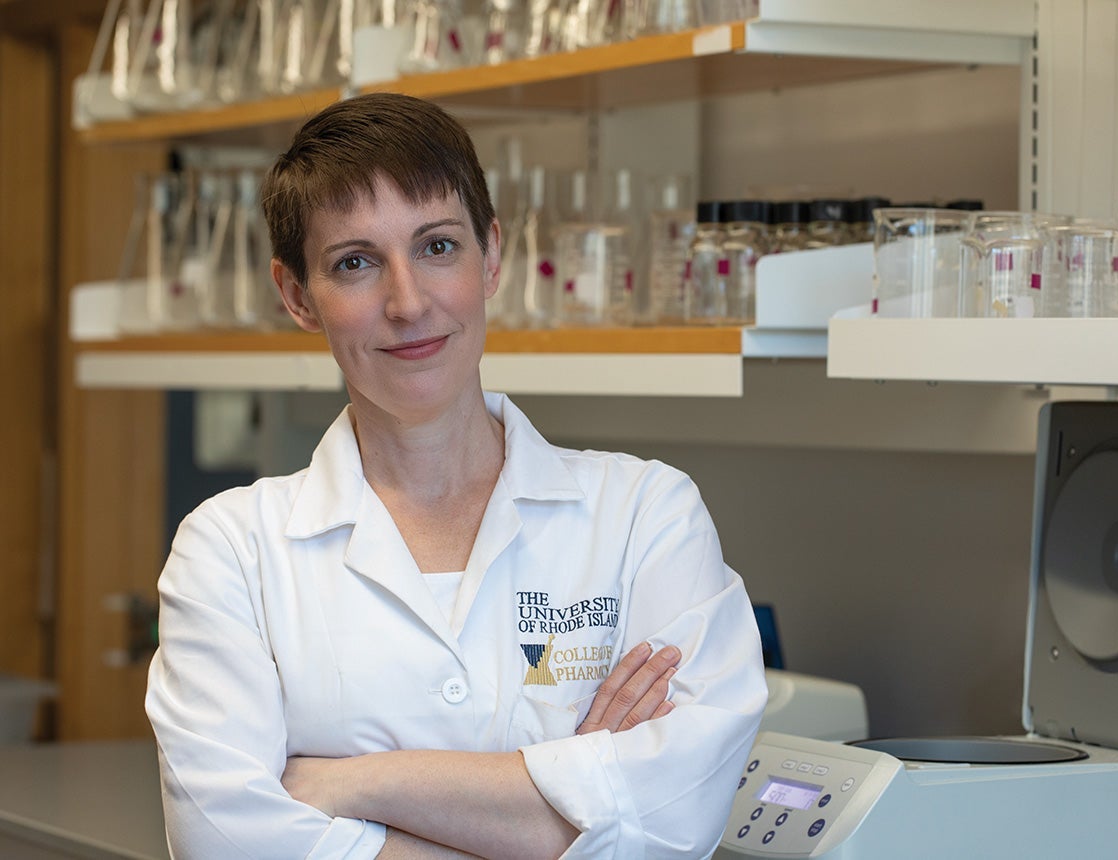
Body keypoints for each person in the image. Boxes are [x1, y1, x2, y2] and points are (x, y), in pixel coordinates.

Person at [145, 92, 767, 859]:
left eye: (438, 247)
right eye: (356, 263)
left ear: (493, 255)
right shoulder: (231, 550)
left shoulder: (645, 516)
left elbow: (676, 821)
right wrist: (568, 806)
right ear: (298, 296)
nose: (408, 302)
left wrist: (358, 784)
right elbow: (226, 844)